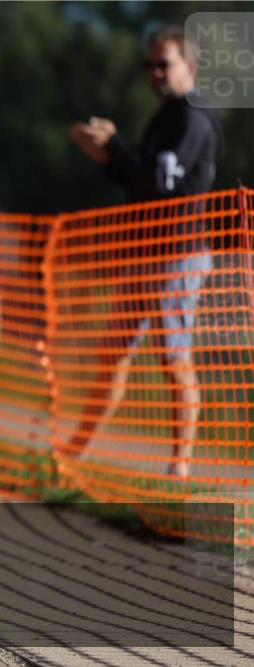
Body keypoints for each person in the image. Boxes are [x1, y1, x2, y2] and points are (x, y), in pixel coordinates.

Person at [68, 27, 222, 478]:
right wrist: (108, 156)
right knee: (114, 352)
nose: (155, 73)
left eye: (163, 64)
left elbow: (162, 180)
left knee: (173, 356)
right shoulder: (167, 115)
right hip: (146, 251)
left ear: (189, 67)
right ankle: (76, 450)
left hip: (177, 253)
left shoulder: (193, 116)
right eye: (149, 65)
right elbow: (143, 179)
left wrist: (115, 147)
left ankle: (180, 466)